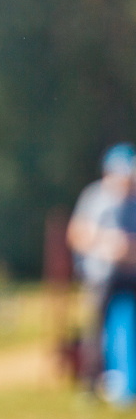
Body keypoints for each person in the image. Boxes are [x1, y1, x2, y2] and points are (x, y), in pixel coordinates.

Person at [67, 142, 136, 392]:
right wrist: (107, 242)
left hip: (131, 274)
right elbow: (76, 234)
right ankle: (92, 383)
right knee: (95, 329)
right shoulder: (94, 196)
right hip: (100, 274)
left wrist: (128, 250)